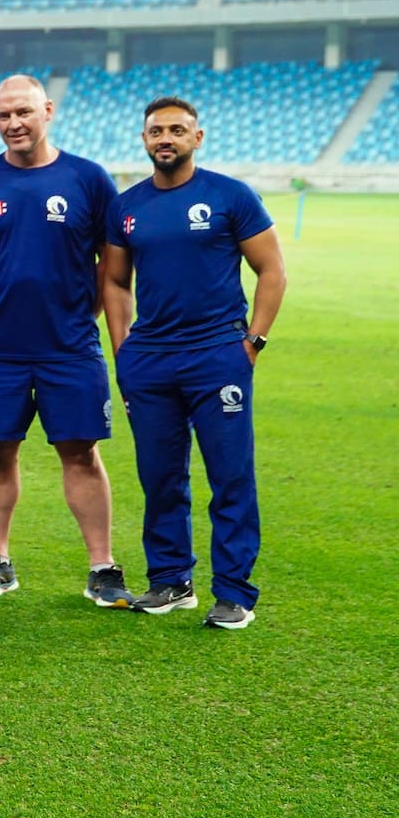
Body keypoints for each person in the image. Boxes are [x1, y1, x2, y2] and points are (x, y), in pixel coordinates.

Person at [103, 96, 286, 630]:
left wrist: (253, 342)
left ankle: (233, 593)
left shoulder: (230, 195)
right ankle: (170, 581)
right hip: (150, 362)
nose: (166, 138)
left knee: (230, 477)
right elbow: (114, 281)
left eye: (177, 130)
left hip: (217, 356)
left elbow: (271, 270)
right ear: (144, 140)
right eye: (156, 131)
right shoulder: (126, 206)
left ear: (197, 138)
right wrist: (124, 350)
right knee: (160, 478)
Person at [0, 75, 136, 607]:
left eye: (23, 113)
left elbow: (111, 263)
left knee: (81, 452)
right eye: (4, 116)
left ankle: (102, 566)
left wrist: (84, 312)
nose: (13, 124)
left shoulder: (89, 179)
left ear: (48, 110)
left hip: (70, 345)